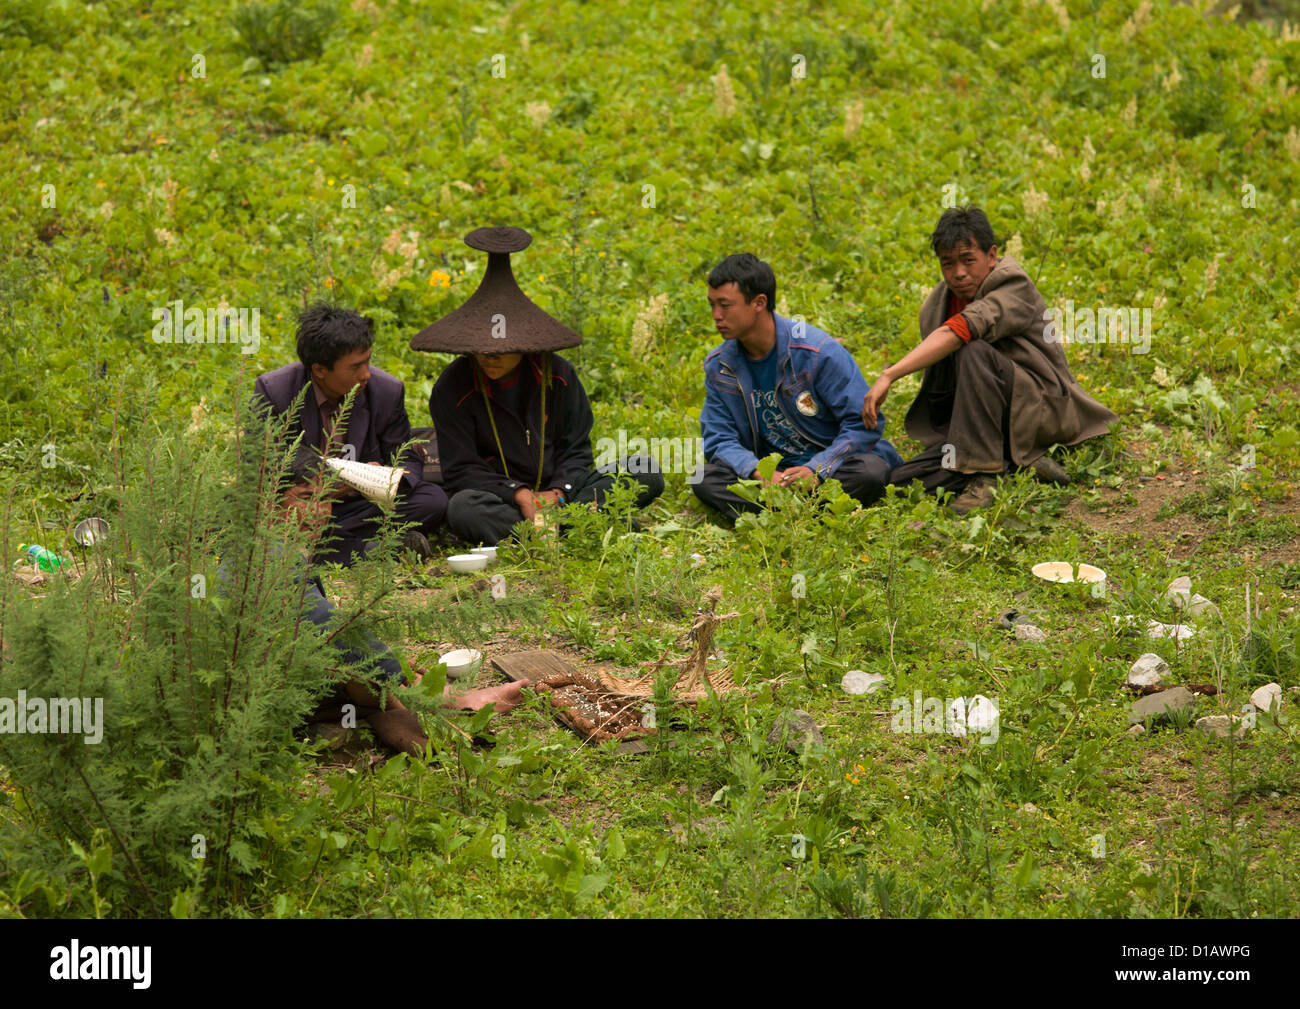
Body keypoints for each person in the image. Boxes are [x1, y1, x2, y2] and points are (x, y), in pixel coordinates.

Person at [415, 225, 664, 546]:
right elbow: (462, 469)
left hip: (562, 495)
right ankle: (583, 528)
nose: (490, 358)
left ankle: (550, 529)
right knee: (463, 509)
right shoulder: (452, 387)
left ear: (525, 345)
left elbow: (576, 451)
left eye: (500, 351)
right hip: (502, 498)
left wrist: (558, 492)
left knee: (645, 470)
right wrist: (518, 494)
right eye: (481, 351)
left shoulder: (558, 376)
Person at [866, 207, 1119, 514]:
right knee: (901, 481)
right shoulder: (936, 305)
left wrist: (890, 375)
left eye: (968, 259)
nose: (959, 273)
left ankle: (987, 477)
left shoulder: (1013, 284)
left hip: (1036, 410)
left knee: (973, 350)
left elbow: (964, 328)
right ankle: (1013, 463)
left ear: (991, 255)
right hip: (978, 424)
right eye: (948, 263)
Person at [276, 482, 529, 758]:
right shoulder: (271, 556)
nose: (319, 510)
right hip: (263, 692)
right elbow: (327, 625)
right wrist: (391, 668)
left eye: (325, 498)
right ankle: (432, 700)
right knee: (358, 665)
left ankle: (415, 698)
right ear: (269, 501)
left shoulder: (284, 551)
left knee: (358, 664)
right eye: (305, 497)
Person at [693, 252, 902, 522]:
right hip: (772, 477)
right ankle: (804, 511)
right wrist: (758, 471)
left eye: (725, 305)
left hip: (829, 469)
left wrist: (816, 469)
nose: (716, 315)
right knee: (703, 477)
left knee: (871, 472)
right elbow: (719, 439)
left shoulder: (816, 352)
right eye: (712, 305)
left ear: (759, 303)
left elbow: (862, 425)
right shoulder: (720, 365)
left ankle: (777, 514)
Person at [253, 303, 447, 564]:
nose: (366, 374)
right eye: (355, 367)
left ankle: (312, 550)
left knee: (431, 501)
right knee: (245, 508)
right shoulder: (275, 391)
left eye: (367, 361)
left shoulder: (386, 391)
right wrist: (322, 484)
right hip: (302, 503)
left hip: (359, 505)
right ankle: (362, 550)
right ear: (320, 370)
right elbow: (261, 461)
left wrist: (387, 479)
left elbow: (406, 456)